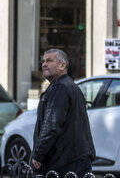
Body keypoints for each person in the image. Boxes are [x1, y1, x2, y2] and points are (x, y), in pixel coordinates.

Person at [31, 49, 95, 177]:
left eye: (49, 61)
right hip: (75, 158)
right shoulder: (69, 86)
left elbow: (52, 125)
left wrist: (38, 154)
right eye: (43, 61)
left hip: (65, 162)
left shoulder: (60, 88)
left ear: (62, 65)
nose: (44, 64)